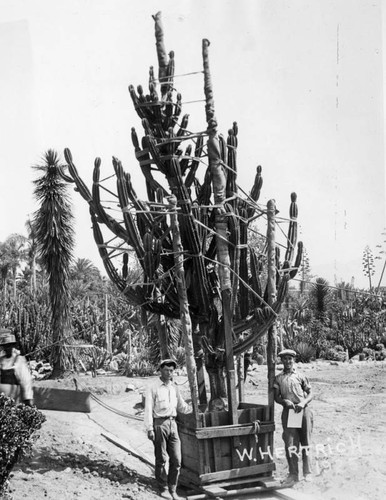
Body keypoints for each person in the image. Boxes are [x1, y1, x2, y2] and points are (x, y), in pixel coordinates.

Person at [144, 358, 190, 500]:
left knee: (176, 459)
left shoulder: (174, 387)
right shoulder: (153, 387)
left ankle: (173, 488)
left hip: (173, 424)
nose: (169, 373)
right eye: (166, 370)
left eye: (171, 370)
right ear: (160, 370)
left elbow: (182, 407)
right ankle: (162, 487)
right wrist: (150, 428)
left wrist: (195, 408)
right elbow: (148, 409)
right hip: (160, 424)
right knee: (161, 458)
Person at [273, 349, 313, 485]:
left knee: (306, 441)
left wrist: (302, 403)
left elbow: (310, 394)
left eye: (290, 359)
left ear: (294, 360)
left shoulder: (300, 376)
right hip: (289, 411)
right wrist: (284, 401)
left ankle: (308, 472)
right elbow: (276, 397)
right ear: (281, 361)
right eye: (285, 359)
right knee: (291, 443)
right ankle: (293, 474)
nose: (287, 362)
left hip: (302, 410)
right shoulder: (278, 378)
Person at [0, 328, 34, 406]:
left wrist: (28, 398)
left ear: (13, 346)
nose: (7, 348)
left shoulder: (19, 360)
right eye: (5, 346)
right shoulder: (1, 361)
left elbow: (26, 380)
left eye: (9, 346)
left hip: (14, 398)